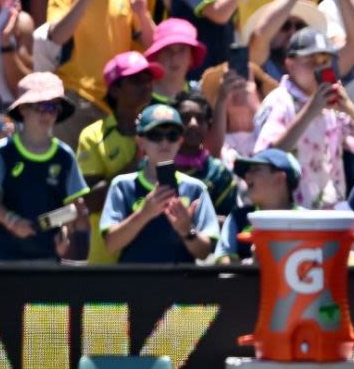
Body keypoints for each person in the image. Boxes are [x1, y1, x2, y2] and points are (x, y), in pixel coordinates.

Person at [47, 0, 156, 147]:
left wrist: (143, 15)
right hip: (76, 98)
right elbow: (57, 36)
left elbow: (153, 46)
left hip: (121, 102)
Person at [252, 27, 354, 208]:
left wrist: (349, 108)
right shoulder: (279, 101)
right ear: (290, 64)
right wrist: (311, 110)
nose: (319, 67)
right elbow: (267, 157)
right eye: (311, 60)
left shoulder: (330, 102)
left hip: (333, 214)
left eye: (325, 60)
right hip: (293, 216)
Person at [100, 104, 219, 264]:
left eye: (172, 135)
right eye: (155, 135)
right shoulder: (122, 185)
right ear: (140, 142)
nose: (164, 142)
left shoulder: (196, 188)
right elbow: (110, 245)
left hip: (179, 285)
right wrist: (144, 214)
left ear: (180, 141)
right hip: (134, 285)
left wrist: (187, 231)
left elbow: (204, 252)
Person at [0, 73, 87, 262]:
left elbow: (73, 207)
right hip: (4, 257)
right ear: (24, 109)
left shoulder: (65, 155)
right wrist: (12, 221)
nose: (48, 114)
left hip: (47, 259)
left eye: (53, 108)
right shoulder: (4, 152)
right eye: (42, 106)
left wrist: (65, 231)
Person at [76, 51, 158, 264]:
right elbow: (90, 202)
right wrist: (136, 164)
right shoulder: (92, 136)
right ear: (114, 89)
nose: (146, 85)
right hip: (107, 263)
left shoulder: (165, 132)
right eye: (136, 80)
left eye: (148, 79)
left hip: (153, 260)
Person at [212, 148, 302, 264]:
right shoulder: (237, 218)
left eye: (255, 169)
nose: (246, 175)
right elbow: (224, 265)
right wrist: (252, 265)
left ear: (279, 178)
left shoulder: (305, 220)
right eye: (247, 171)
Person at [172, 90, 236, 217]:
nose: (193, 124)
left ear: (208, 125)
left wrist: (193, 220)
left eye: (200, 119)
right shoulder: (155, 166)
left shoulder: (218, 173)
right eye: (185, 118)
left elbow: (231, 222)